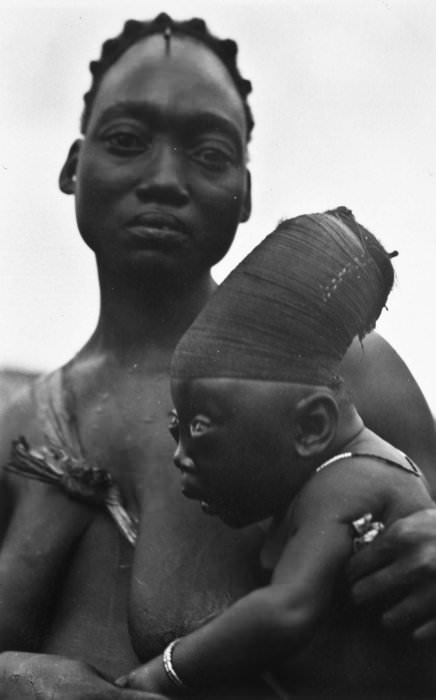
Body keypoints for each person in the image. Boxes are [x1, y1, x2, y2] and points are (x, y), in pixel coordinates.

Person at [1, 12, 436, 700]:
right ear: (72, 166)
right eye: (126, 140)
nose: (165, 179)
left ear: (246, 194)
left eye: (208, 153)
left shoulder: (334, 370)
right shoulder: (18, 428)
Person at [116, 209, 436, 699]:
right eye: (177, 431)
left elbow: (284, 610)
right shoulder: (320, 480)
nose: (180, 457)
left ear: (311, 426)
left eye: (201, 431)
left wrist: (162, 674)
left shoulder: (352, 482)